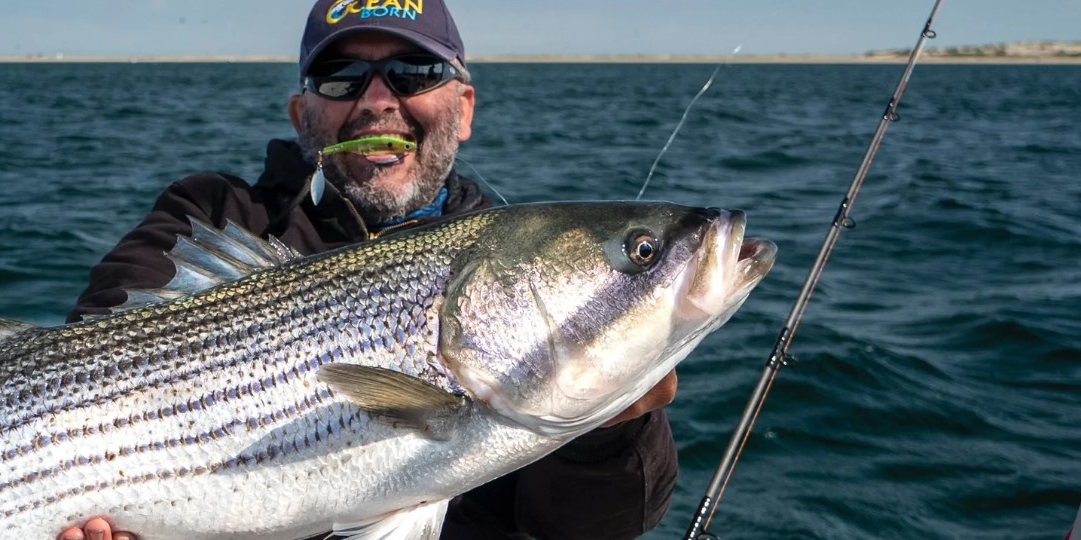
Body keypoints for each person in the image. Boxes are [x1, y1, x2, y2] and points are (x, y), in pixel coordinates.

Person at [56, 1, 678, 539]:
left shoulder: (515, 254)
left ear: (463, 109)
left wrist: (610, 432)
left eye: (415, 72)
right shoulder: (212, 217)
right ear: (303, 116)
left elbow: (591, 528)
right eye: (341, 77)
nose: (378, 101)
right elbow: (80, 362)